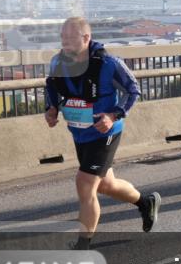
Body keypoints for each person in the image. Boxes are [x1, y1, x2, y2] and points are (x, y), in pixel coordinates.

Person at [44, 17, 158, 249]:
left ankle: (82, 247)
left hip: (105, 132)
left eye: (70, 37)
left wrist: (113, 115)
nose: (64, 42)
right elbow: (51, 88)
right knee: (106, 184)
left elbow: (133, 90)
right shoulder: (58, 62)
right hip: (80, 132)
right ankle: (145, 203)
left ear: (86, 38)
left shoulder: (108, 63)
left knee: (85, 183)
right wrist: (51, 108)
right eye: (62, 37)